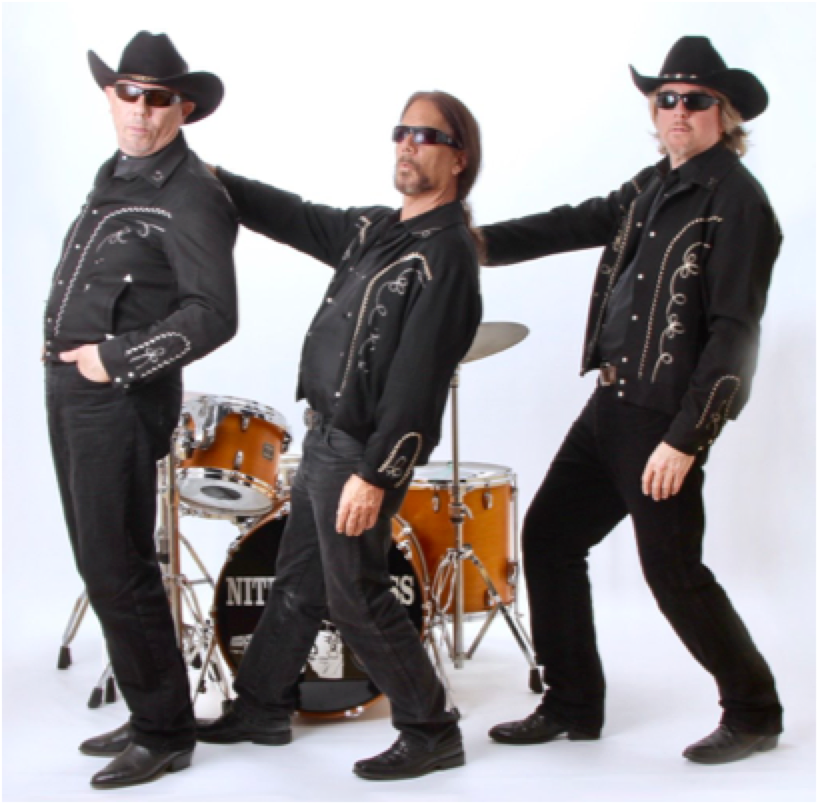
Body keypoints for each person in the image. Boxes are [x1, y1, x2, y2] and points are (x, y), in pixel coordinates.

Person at [481, 37, 783, 764]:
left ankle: (754, 712)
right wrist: (470, 242)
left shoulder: (737, 202)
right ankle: (572, 704)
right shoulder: (651, 186)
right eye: (665, 98)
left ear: (724, 113)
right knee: (550, 539)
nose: (678, 110)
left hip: (662, 419)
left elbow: (734, 335)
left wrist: (687, 438)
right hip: (609, 405)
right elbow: (572, 221)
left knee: (674, 573)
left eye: (696, 100)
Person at [197, 90, 483, 781]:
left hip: (362, 450)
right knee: (299, 582)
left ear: (459, 159)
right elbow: (290, 213)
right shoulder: (371, 230)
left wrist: (377, 474)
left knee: (356, 593)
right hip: (325, 437)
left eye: (427, 135)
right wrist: (212, 176)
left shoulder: (447, 255)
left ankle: (430, 729)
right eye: (402, 131)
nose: (408, 144)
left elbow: (417, 385)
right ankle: (261, 707)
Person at [43, 31, 238, 789]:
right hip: (75, 390)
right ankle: (156, 710)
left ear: (182, 108)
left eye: (158, 99)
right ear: (110, 95)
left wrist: (114, 360)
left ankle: (163, 733)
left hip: (119, 395)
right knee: (105, 560)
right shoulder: (117, 175)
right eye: (129, 92)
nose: (141, 109)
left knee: (116, 562)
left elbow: (214, 314)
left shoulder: (192, 193)